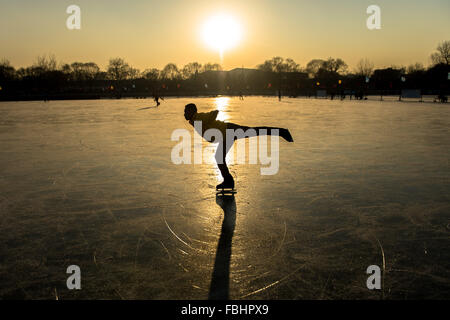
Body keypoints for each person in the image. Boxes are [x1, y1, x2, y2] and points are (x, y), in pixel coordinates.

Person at [184, 103, 293, 190]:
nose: (184, 114)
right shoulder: (195, 120)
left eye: (185, 111)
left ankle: (282, 132)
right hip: (225, 135)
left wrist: (209, 121)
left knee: (255, 131)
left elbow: (214, 113)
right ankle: (228, 181)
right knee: (219, 157)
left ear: (191, 111)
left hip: (229, 131)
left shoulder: (198, 117)